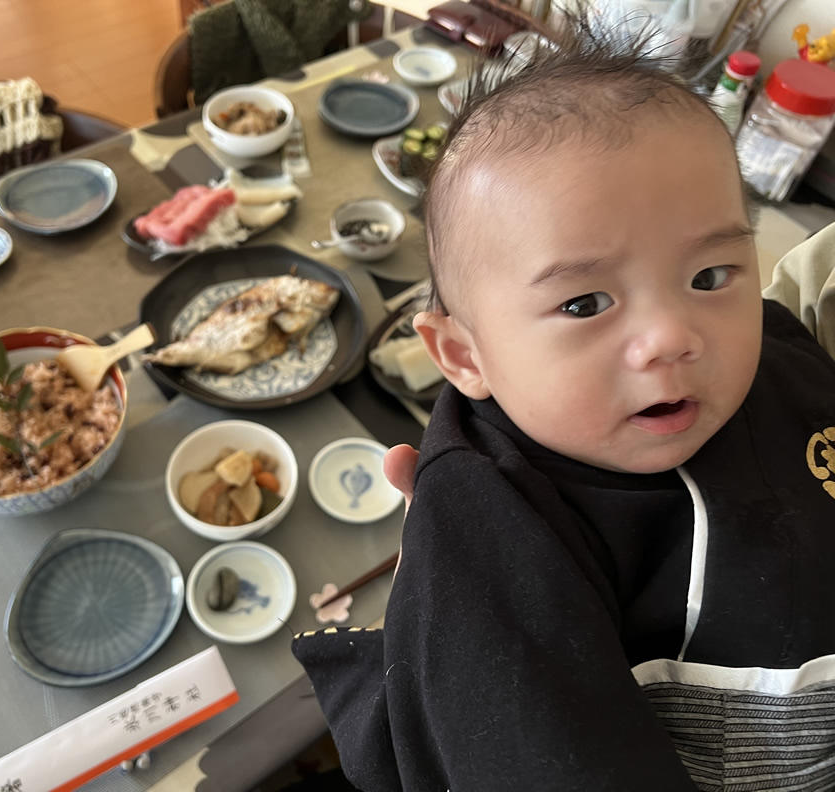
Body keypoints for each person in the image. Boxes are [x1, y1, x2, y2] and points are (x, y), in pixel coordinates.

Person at [291, 22, 835, 792]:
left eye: (711, 276)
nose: (670, 338)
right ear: (464, 356)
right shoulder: (489, 516)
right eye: (585, 302)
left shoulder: (785, 348)